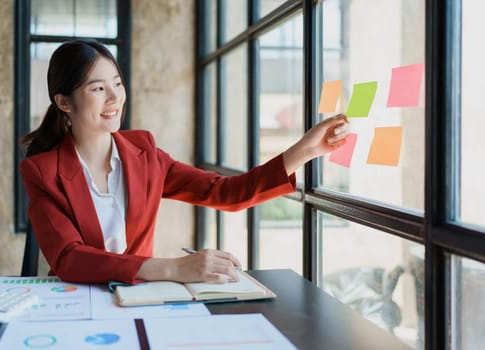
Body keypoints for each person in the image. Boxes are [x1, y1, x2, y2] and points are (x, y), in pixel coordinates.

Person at [20, 39, 349, 285]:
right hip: (78, 302)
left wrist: (306, 149)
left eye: (117, 84)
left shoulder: (144, 153)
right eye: (98, 88)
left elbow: (227, 193)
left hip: (139, 300)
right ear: (64, 102)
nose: (114, 98)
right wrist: (173, 269)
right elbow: (69, 258)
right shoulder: (42, 171)